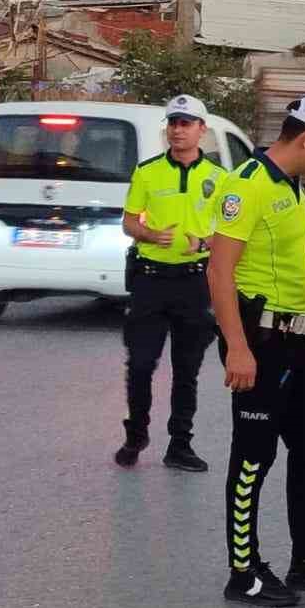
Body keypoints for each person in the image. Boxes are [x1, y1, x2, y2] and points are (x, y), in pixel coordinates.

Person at [208, 95, 305, 608]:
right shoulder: (245, 185)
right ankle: (242, 571)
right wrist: (238, 350)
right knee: (252, 458)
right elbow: (218, 270)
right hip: (260, 341)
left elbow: (304, 246)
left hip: (297, 338)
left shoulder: (291, 189)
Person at [114, 95, 223, 472]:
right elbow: (128, 222)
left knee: (186, 370)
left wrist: (205, 242)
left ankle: (180, 444)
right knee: (141, 364)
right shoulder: (147, 172)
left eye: (186, 123)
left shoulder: (220, 179)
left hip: (194, 284)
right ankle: (136, 434)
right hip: (150, 282)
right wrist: (146, 233)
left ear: (201, 130)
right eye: (173, 123)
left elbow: (231, 231)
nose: (177, 130)